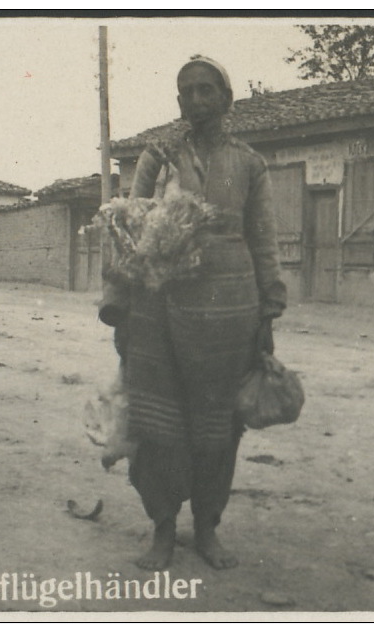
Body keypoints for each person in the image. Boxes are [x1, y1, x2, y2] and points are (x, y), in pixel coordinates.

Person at [98, 57, 287, 571]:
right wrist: (119, 305)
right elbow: (126, 229)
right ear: (178, 101)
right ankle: (162, 529)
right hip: (159, 311)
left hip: (228, 313)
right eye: (188, 92)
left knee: (218, 426)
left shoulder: (249, 164)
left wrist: (268, 312)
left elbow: (264, 240)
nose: (197, 100)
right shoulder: (156, 159)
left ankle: (206, 529)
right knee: (157, 423)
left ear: (227, 99)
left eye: (208, 90)